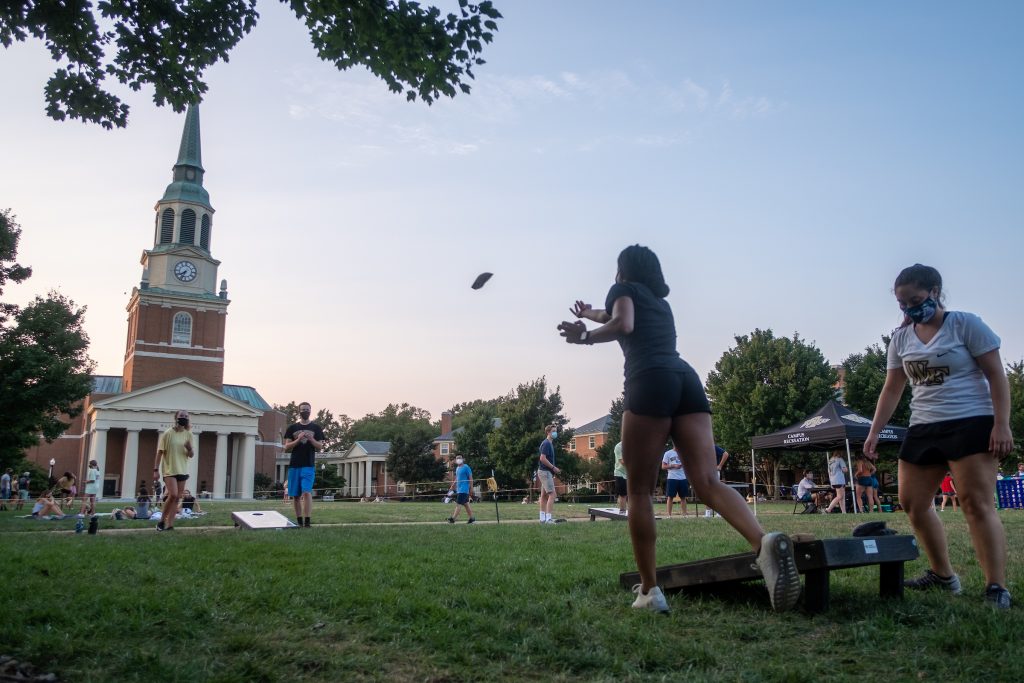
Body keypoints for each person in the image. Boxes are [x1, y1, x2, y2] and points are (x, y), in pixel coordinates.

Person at [558, 244, 800, 612]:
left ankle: (650, 592)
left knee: (639, 492)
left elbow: (622, 322)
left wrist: (585, 337)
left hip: (649, 380)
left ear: (622, 272)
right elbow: (613, 313)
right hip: (685, 379)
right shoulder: (659, 301)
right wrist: (588, 314)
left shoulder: (622, 290)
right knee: (708, 482)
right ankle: (764, 545)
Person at [864, 264, 1014, 609]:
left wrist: (1001, 424)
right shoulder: (901, 338)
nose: (909, 309)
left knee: (976, 504)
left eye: (915, 300)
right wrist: (874, 432)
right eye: (902, 305)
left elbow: (996, 375)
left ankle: (996, 586)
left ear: (935, 291)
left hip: (971, 421)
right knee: (912, 504)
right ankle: (943, 575)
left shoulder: (965, 324)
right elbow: (892, 388)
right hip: (923, 426)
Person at [282, 401, 324, 528]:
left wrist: (311, 439)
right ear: (299, 411)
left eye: (307, 409)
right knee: (295, 495)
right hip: (294, 465)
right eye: (303, 409)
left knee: (307, 492)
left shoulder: (316, 428)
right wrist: (298, 439)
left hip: (308, 465)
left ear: (310, 411)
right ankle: (299, 521)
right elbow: (286, 446)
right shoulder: (292, 428)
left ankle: (307, 521)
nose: (305, 411)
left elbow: (320, 446)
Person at [153, 409, 195, 532]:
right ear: (176, 417)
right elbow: (160, 452)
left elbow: (191, 455)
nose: (184, 418)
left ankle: (170, 525)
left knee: (176, 498)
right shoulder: (168, 433)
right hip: (169, 470)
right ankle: (161, 520)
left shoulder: (188, 434)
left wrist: (189, 448)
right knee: (174, 494)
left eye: (186, 416)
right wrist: (155, 470)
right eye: (182, 415)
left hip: (182, 470)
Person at [537, 424, 562, 524]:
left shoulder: (550, 443)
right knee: (552, 494)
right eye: (553, 431)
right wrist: (553, 468)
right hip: (545, 472)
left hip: (545, 472)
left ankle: (542, 519)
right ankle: (548, 519)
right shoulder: (546, 443)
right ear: (548, 432)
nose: (555, 433)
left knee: (543, 496)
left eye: (556, 431)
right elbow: (542, 458)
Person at [447, 456, 475, 524]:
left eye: (460, 458)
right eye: (457, 458)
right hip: (459, 489)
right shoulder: (457, 468)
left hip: (464, 489)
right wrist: (453, 485)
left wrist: (471, 488)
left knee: (458, 504)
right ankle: (472, 518)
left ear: (462, 459)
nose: (458, 459)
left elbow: (470, 478)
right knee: (466, 505)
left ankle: (453, 519)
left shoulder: (466, 467)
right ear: (456, 460)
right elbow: (457, 478)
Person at [661, 446, 689, 517]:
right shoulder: (668, 453)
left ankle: (684, 515)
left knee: (683, 497)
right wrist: (673, 465)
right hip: (672, 478)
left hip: (683, 478)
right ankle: (669, 515)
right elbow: (663, 466)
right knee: (670, 497)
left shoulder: (684, 452)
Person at [613, 441, 628, 514]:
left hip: (631, 474)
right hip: (620, 473)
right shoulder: (619, 447)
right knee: (623, 494)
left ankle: (634, 513)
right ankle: (622, 512)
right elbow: (623, 462)